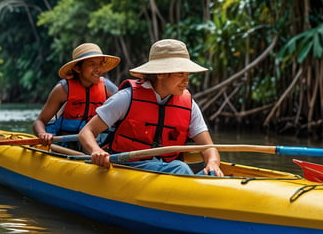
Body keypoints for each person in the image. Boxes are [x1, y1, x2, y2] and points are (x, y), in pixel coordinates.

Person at [79, 39, 223, 176]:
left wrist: (212, 162)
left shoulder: (189, 105)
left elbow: (208, 147)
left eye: (187, 74)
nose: (186, 80)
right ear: (160, 73)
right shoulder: (126, 97)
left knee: (210, 173)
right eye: (180, 73)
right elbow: (86, 132)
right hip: (128, 167)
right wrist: (96, 151)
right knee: (180, 167)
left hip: (166, 169)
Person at [33, 43, 120, 146]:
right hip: (64, 145)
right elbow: (39, 121)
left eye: (100, 64)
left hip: (95, 145)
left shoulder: (108, 88)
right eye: (92, 64)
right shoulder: (62, 90)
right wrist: (42, 134)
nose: (98, 69)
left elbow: (124, 116)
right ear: (78, 69)